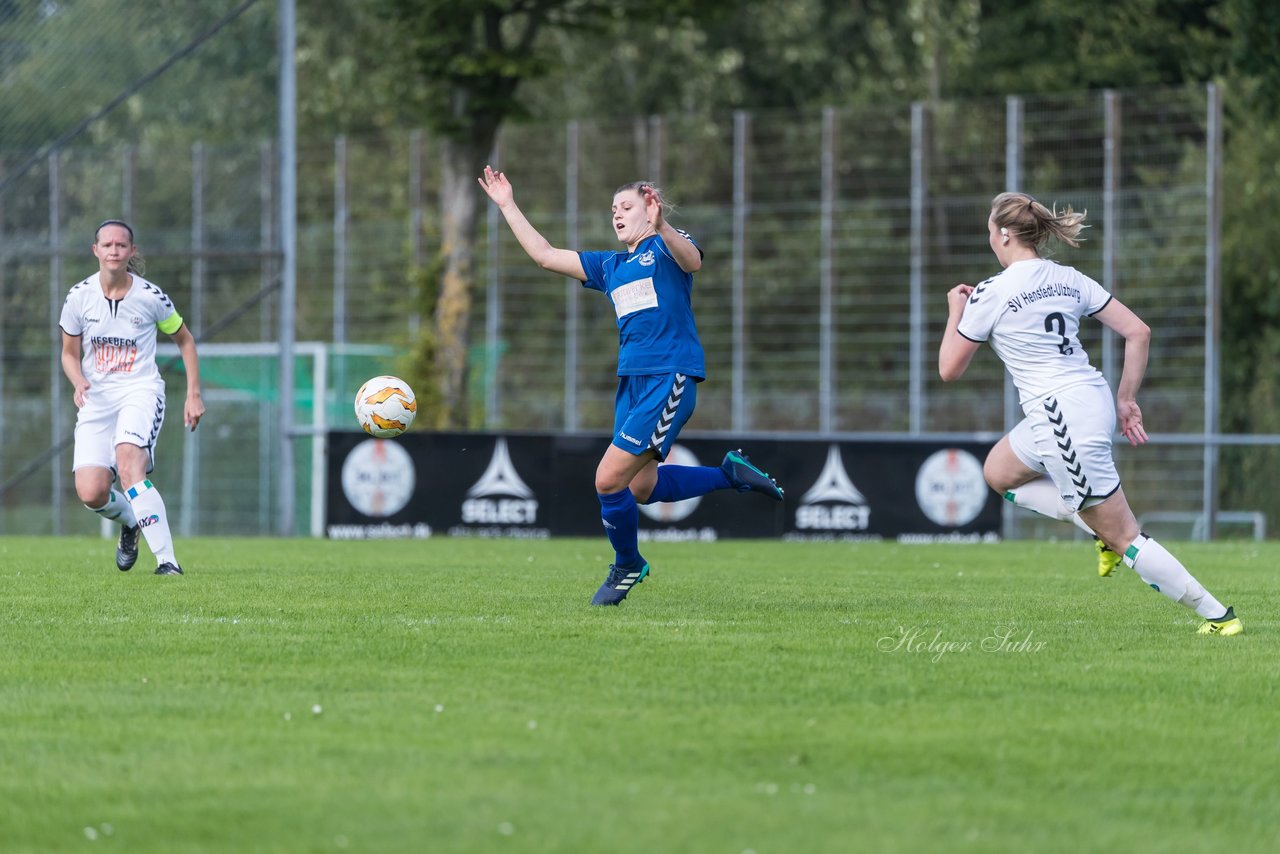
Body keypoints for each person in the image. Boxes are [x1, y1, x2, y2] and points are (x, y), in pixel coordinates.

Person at [478, 167, 784, 605]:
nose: (617, 216)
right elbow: (544, 255)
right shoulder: (610, 266)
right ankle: (729, 474)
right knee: (641, 489)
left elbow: (694, 260)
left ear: (650, 209)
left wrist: (663, 227)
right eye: (613, 210)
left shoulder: (666, 248)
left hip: (669, 377)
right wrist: (508, 204)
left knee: (607, 480)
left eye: (626, 208)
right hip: (632, 383)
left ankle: (627, 564)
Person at [938, 192, 1241, 635]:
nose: (989, 239)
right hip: (1091, 398)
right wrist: (1125, 399)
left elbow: (948, 368)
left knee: (1125, 537)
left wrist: (955, 312)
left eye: (989, 231)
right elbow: (1138, 331)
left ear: (1004, 234)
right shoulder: (1068, 278)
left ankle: (1218, 616)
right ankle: (1094, 526)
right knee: (999, 472)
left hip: (1060, 419)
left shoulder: (990, 292)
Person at [59, 220, 204, 576]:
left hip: (140, 391)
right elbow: (68, 353)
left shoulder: (150, 297)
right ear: (95, 250)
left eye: (121, 245)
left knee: (128, 464)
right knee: (91, 491)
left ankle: (167, 562)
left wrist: (193, 394)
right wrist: (78, 381)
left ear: (131, 251)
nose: (113, 251)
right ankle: (131, 522)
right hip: (96, 399)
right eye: (106, 245)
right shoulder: (78, 297)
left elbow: (185, 340)